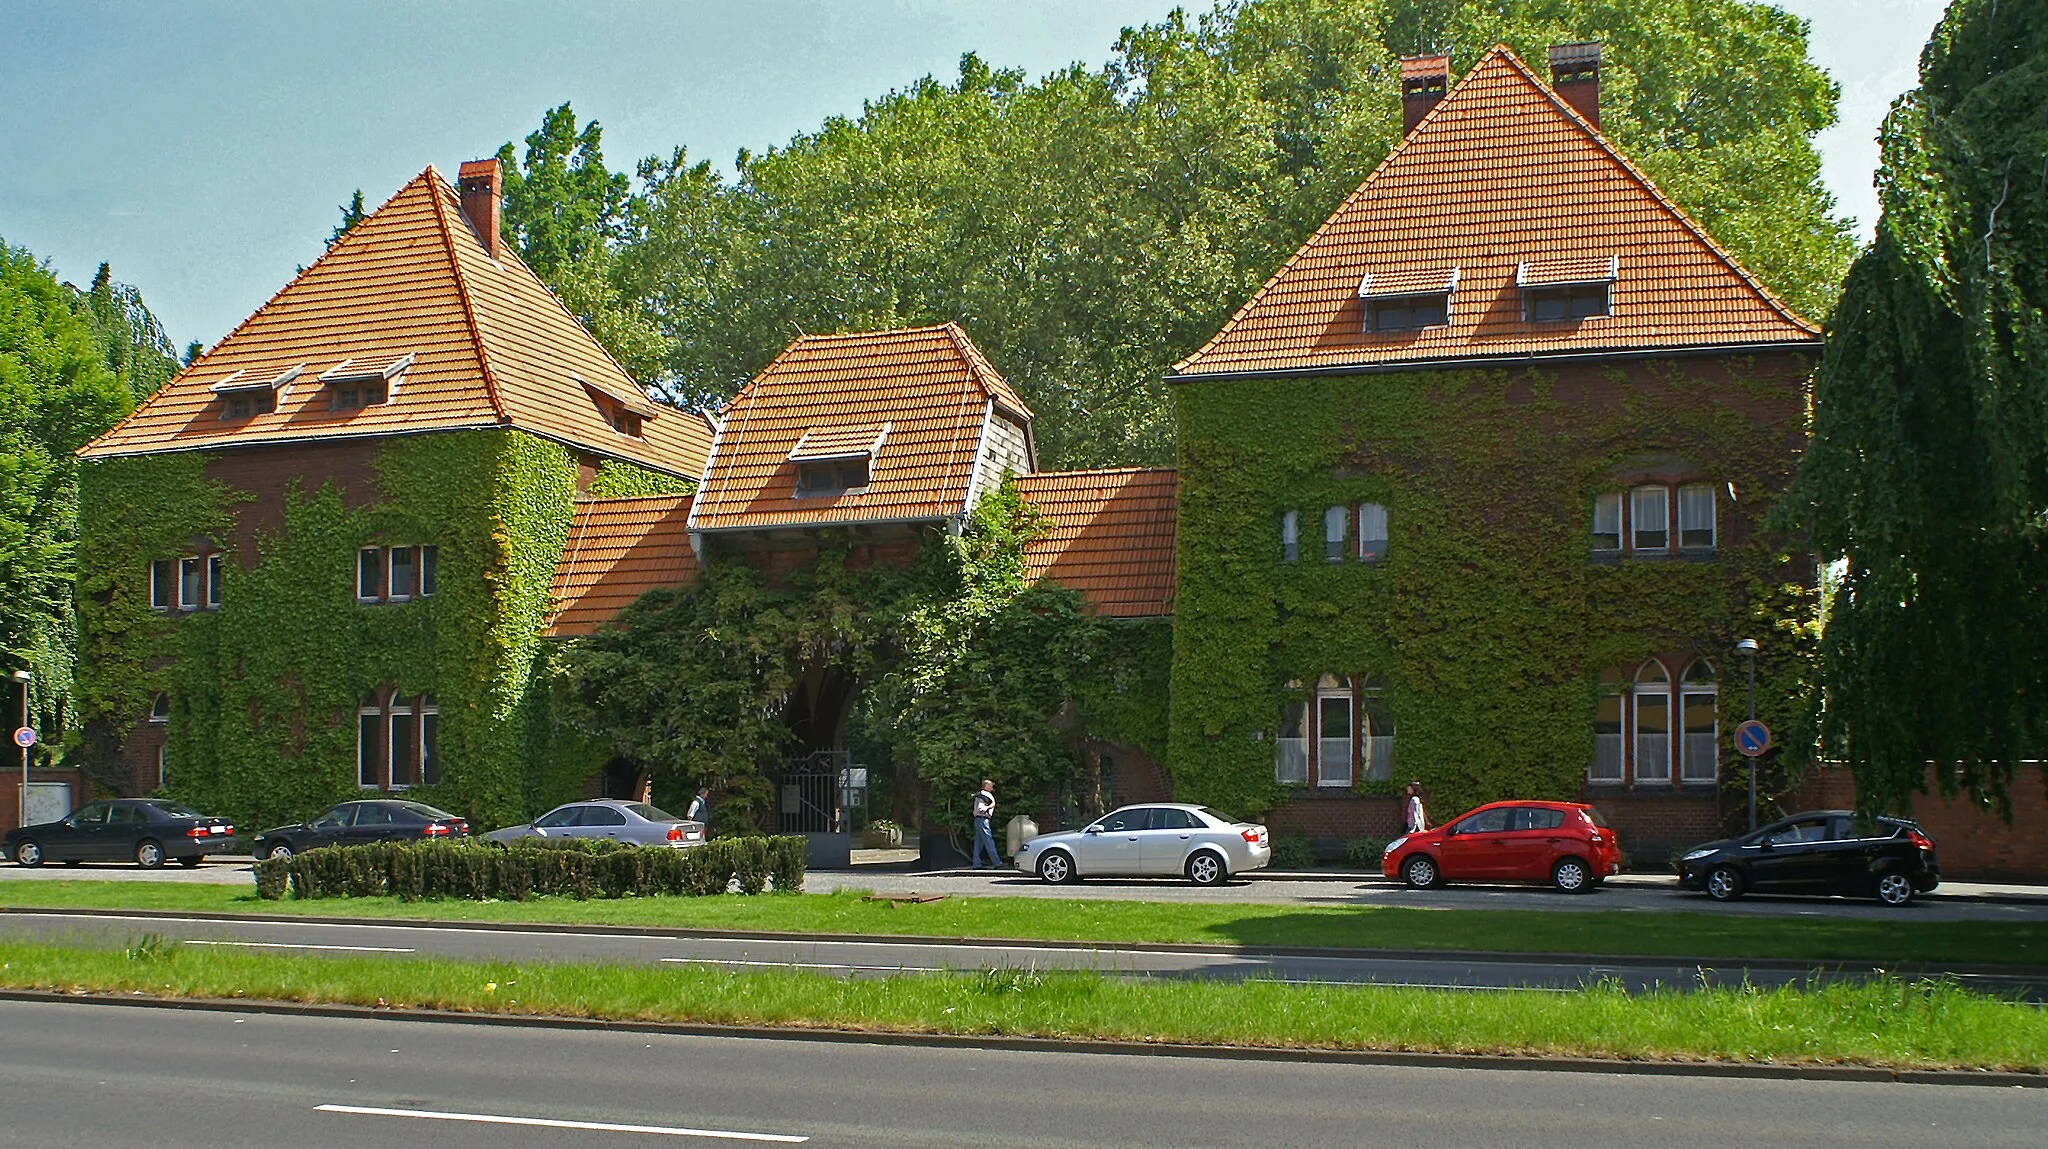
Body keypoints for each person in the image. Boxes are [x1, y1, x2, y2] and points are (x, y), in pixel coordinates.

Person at [970, 779, 1000, 869]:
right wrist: (991, 806)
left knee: (978, 843)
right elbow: (981, 808)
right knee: (988, 841)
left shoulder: (982, 795)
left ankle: (976, 864)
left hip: (979, 820)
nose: (992, 787)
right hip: (983, 819)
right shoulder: (983, 795)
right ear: (986, 786)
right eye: (991, 785)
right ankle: (997, 863)